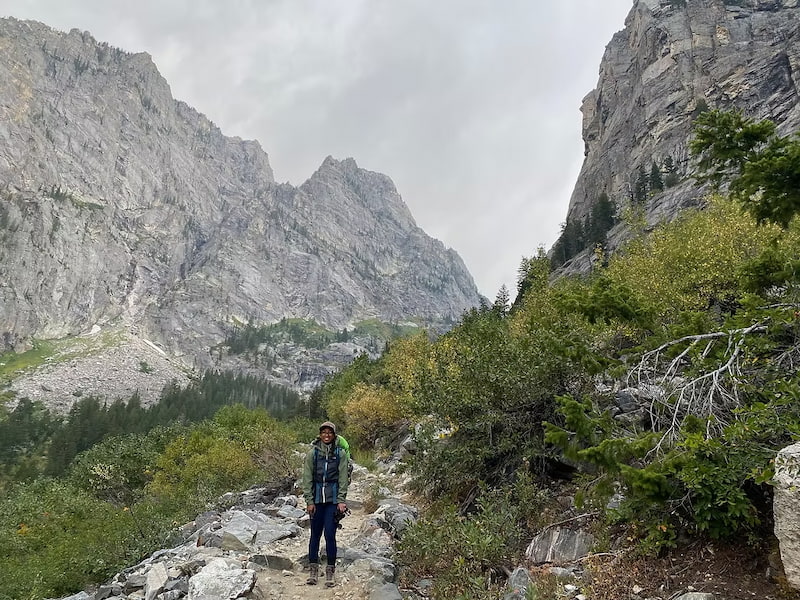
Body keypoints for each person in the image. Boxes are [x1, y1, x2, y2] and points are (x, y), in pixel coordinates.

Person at [302, 420, 349, 586]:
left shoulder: (340, 454)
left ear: (334, 435)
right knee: (315, 535)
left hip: (333, 500)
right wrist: (309, 500)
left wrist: (341, 501)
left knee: (330, 534)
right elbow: (307, 478)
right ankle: (313, 569)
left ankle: (330, 570)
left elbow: (343, 478)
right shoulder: (312, 454)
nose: (326, 435)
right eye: (324, 432)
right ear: (320, 434)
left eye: (329, 432)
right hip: (316, 500)